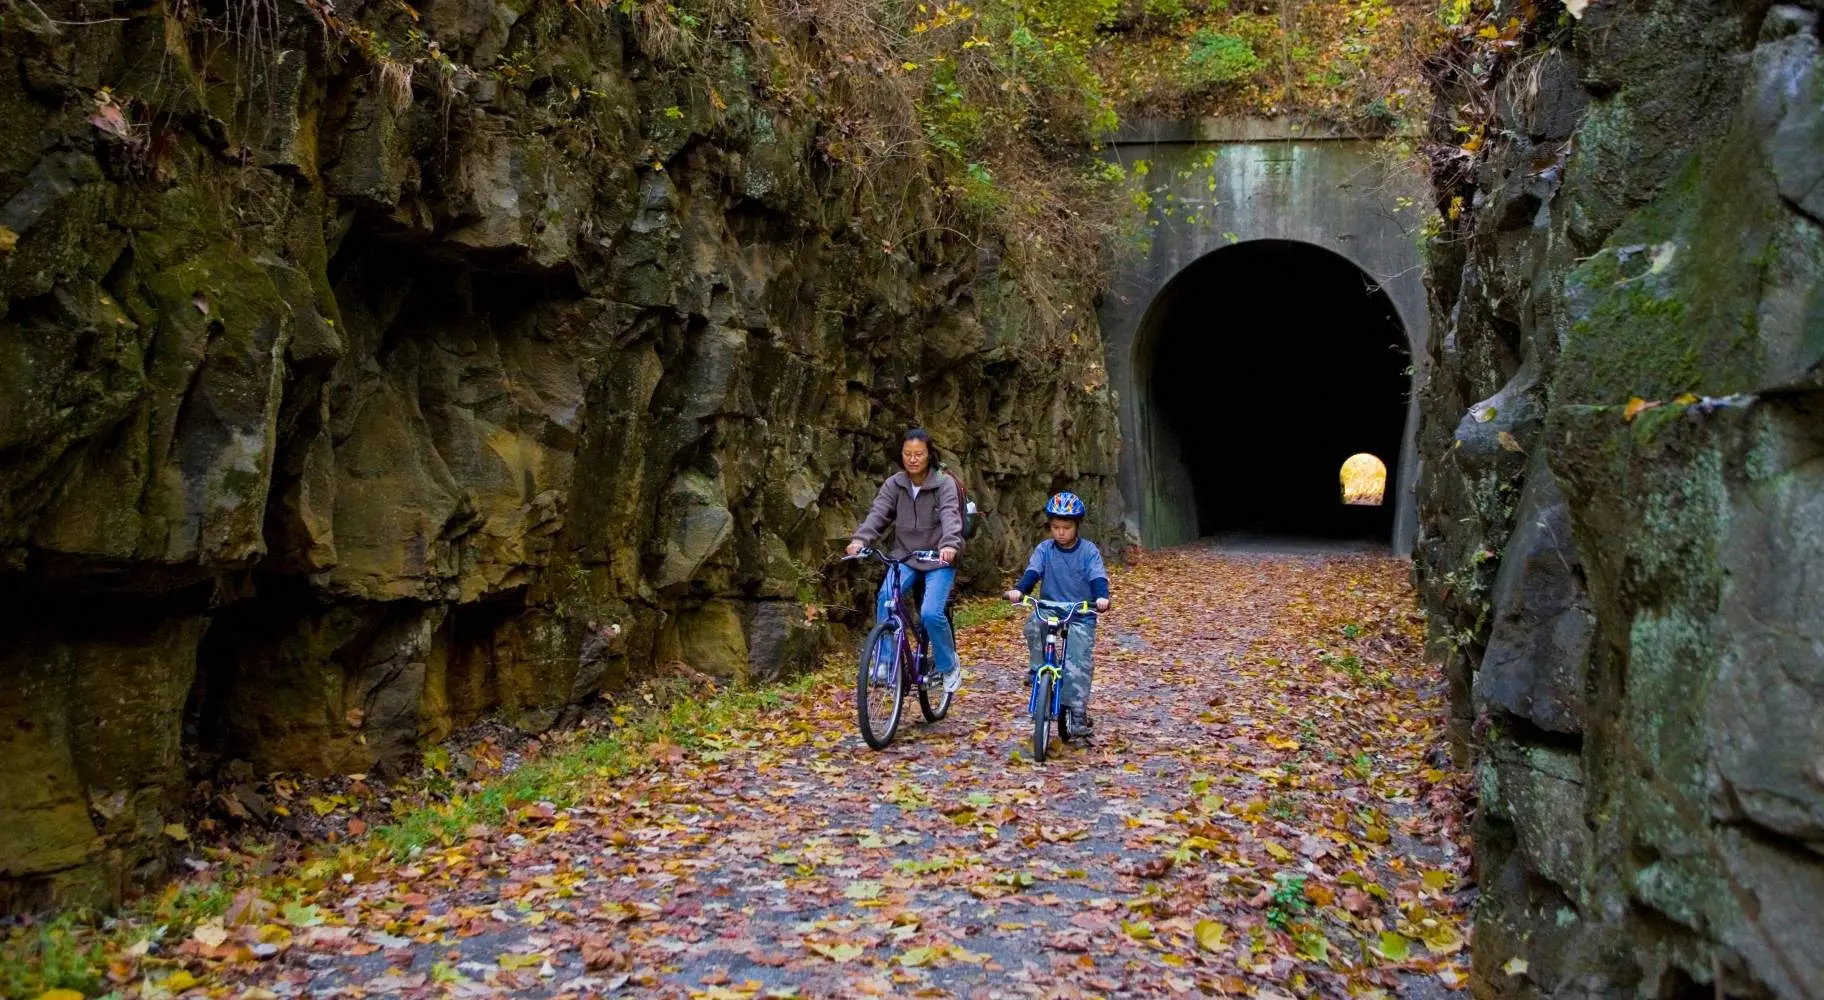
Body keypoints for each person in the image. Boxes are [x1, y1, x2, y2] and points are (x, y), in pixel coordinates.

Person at [847, 429, 966, 693]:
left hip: (938, 558)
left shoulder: (943, 483)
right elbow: (878, 514)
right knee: (886, 598)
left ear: (929, 455)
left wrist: (949, 545)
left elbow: (951, 517)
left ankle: (949, 665)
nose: (913, 459)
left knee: (930, 613)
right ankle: (886, 662)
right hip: (906, 555)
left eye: (919, 454)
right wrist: (861, 540)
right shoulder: (895, 484)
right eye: (908, 454)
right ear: (901, 455)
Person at [1004, 492, 1110, 731]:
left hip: (1080, 611)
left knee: (1078, 661)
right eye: (1055, 527)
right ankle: (1037, 670)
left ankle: (1077, 711)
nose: (1061, 532)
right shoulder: (1045, 550)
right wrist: (1020, 590)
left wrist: (1101, 597)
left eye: (1066, 527)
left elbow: (1097, 577)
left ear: (1077, 526)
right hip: (1050, 608)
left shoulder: (1088, 551)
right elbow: (1033, 572)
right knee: (1033, 625)